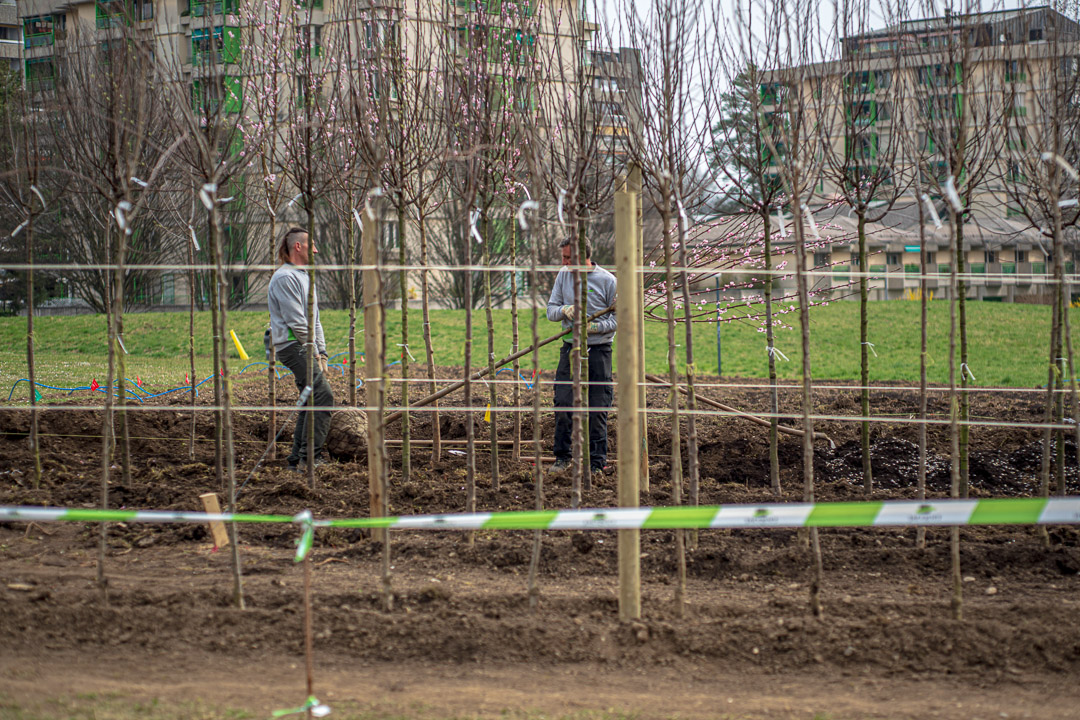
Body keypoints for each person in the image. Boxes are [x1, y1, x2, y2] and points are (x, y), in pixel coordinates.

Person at [546, 237, 617, 476]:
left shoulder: (608, 281)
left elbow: (620, 319)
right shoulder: (563, 275)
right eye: (563, 258)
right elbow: (550, 310)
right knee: (564, 403)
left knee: (597, 408)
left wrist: (595, 328)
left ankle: (596, 463)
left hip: (598, 351)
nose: (564, 262)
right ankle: (562, 458)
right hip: (570, 349)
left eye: (568, 258)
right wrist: (564, 310)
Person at [268, 226, 334, 472]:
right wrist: (314, 353)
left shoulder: (305, 276)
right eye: (312, 245)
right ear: (298, 246)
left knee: (311, 400)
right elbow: (297, 322)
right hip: (293, 344)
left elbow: (314, 319)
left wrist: (323, 353)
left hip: (306, 345)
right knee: (323, 397)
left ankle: (296, 460)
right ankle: (310, 459)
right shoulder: (286, 277)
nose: (316, 250)